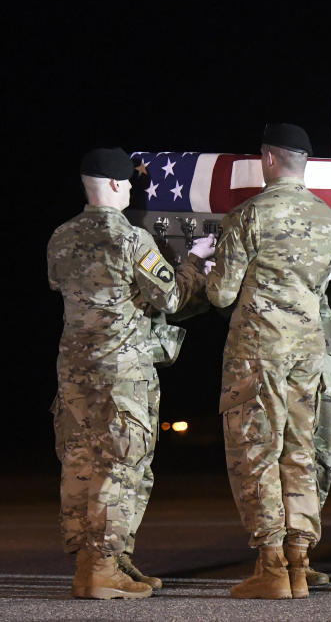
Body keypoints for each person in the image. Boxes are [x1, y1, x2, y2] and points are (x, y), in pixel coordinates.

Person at [48, 147, 214, 599]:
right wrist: (195, 260)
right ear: (119, 185)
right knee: (121, 465)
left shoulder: (60, 238)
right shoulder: (132, 239)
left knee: (80, 462)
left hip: (74, 372)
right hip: (122, 372)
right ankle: (102, 567)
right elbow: (172, 298)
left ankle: (97, 561)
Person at [207, 123, 331, 599]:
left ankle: (270, 565)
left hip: (258, 350)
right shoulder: (330, 219)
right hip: (309, 348)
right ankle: (301, 562)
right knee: (300, 452)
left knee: (258, 452)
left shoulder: (250, 215)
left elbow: (222, 293)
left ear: (268, 159)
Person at [303, 290, 331, 588]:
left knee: (319, 459)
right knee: (281, 458)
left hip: (321, 354)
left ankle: (299, 554)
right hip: (276, 353)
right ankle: (278, 557)